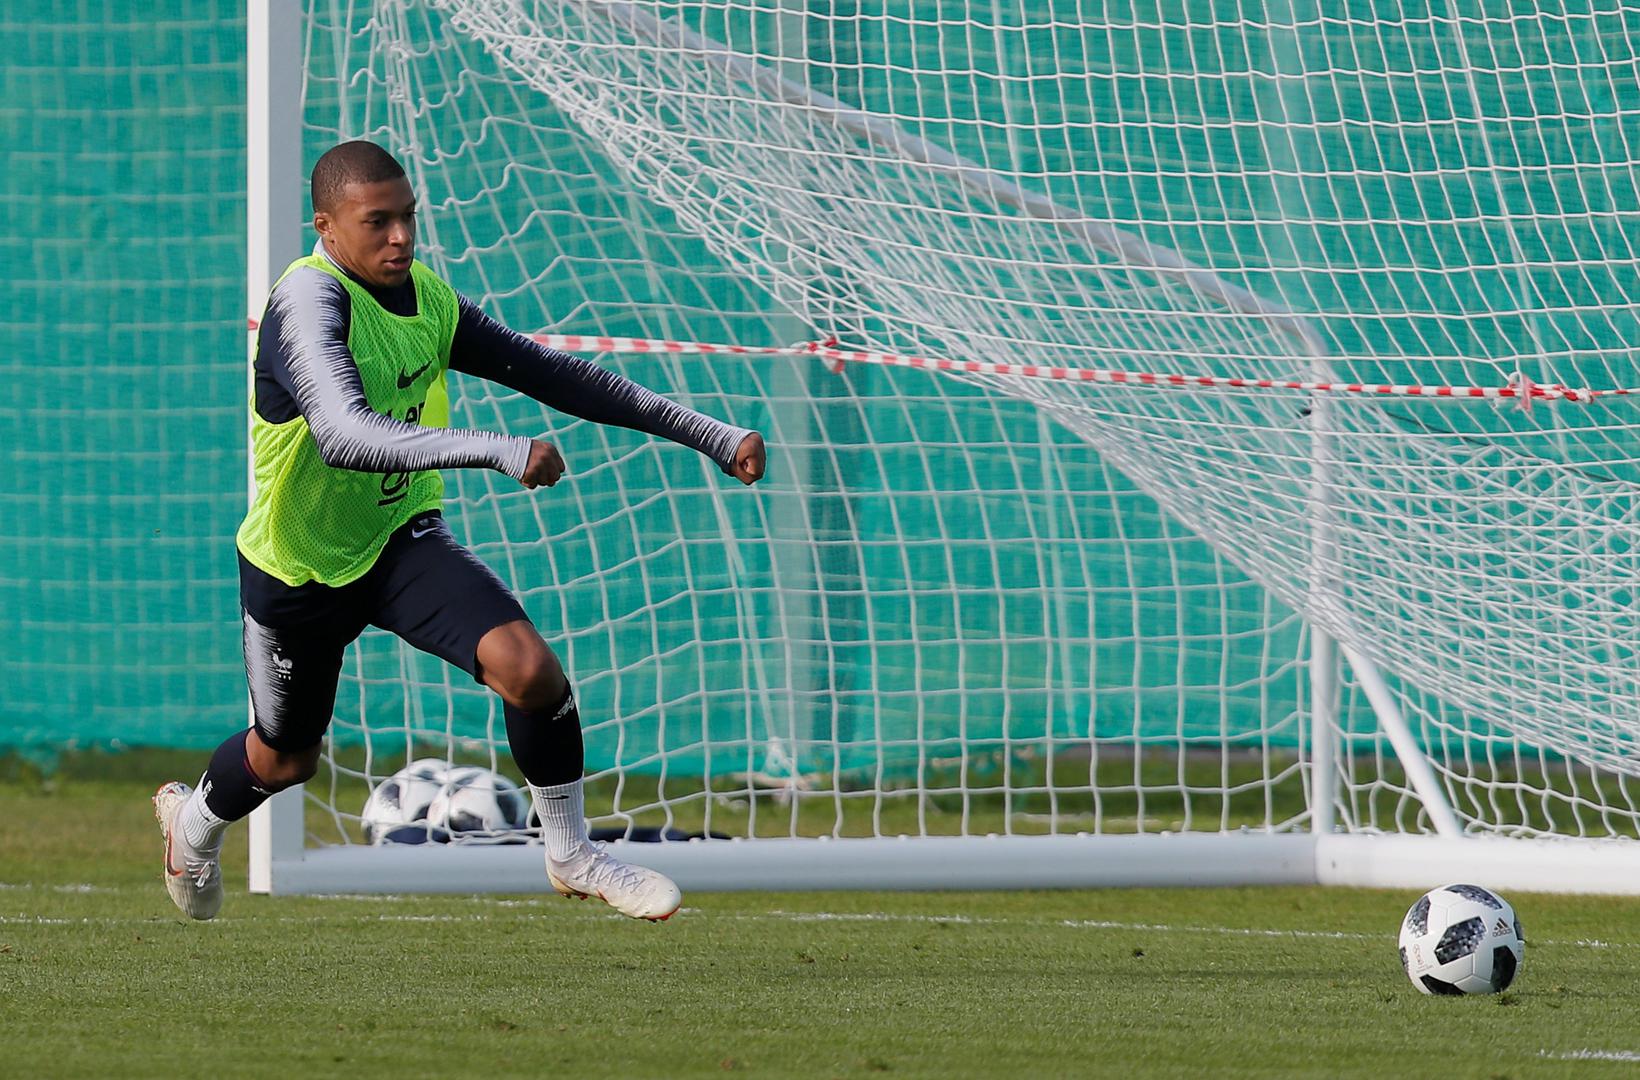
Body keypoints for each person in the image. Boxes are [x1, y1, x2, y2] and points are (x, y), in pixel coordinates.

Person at [153, 140, 766, 922]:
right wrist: (498, 449)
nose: (401, 237)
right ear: (326, 226)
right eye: (377, 222)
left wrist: (709, 434)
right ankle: (192, 825)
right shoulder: (307, 300)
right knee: (284, 758)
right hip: (298, 567)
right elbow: (344, 433)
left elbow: (552, 373)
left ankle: (573, 855)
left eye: (408, 217)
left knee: (530, 670)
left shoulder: (429, 300)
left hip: (398, 540)